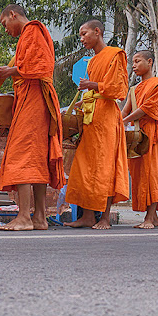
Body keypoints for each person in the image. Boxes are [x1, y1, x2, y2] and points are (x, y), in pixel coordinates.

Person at [0, 4, 64, 231]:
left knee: (21, 155)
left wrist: (11, 71)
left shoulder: (33, 30)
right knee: (35, 158)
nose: (6, 29)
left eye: (5, 23)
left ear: (13, 15)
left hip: (35, 98)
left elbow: (40, 66)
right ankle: (40, 217)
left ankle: (24, 216)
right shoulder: (28, 34)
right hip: (31, 99)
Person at [65, 20, 129, 229]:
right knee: (86, 167)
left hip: (107, 117)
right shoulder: (92, 62)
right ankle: (88, 216)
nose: (81, 39)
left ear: (97, 31)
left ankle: (105, 217)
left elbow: (118, 89)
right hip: (91, 118)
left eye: (84, 34)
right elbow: (93, 91)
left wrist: (92, 85)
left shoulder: (115, 54)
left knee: (105, 166)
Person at [122, 51, 158, 229]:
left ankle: (150, 218)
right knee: (140, 174)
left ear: (150, 62)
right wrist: (117, 124)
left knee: (153, 174)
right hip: (136, 136)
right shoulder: (134, 89)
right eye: (133, 62)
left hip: (152, 133)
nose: (134, 65)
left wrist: (125, 121)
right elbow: (126, 110)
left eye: (138, 61)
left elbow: (147, 108)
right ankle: (153, 216)